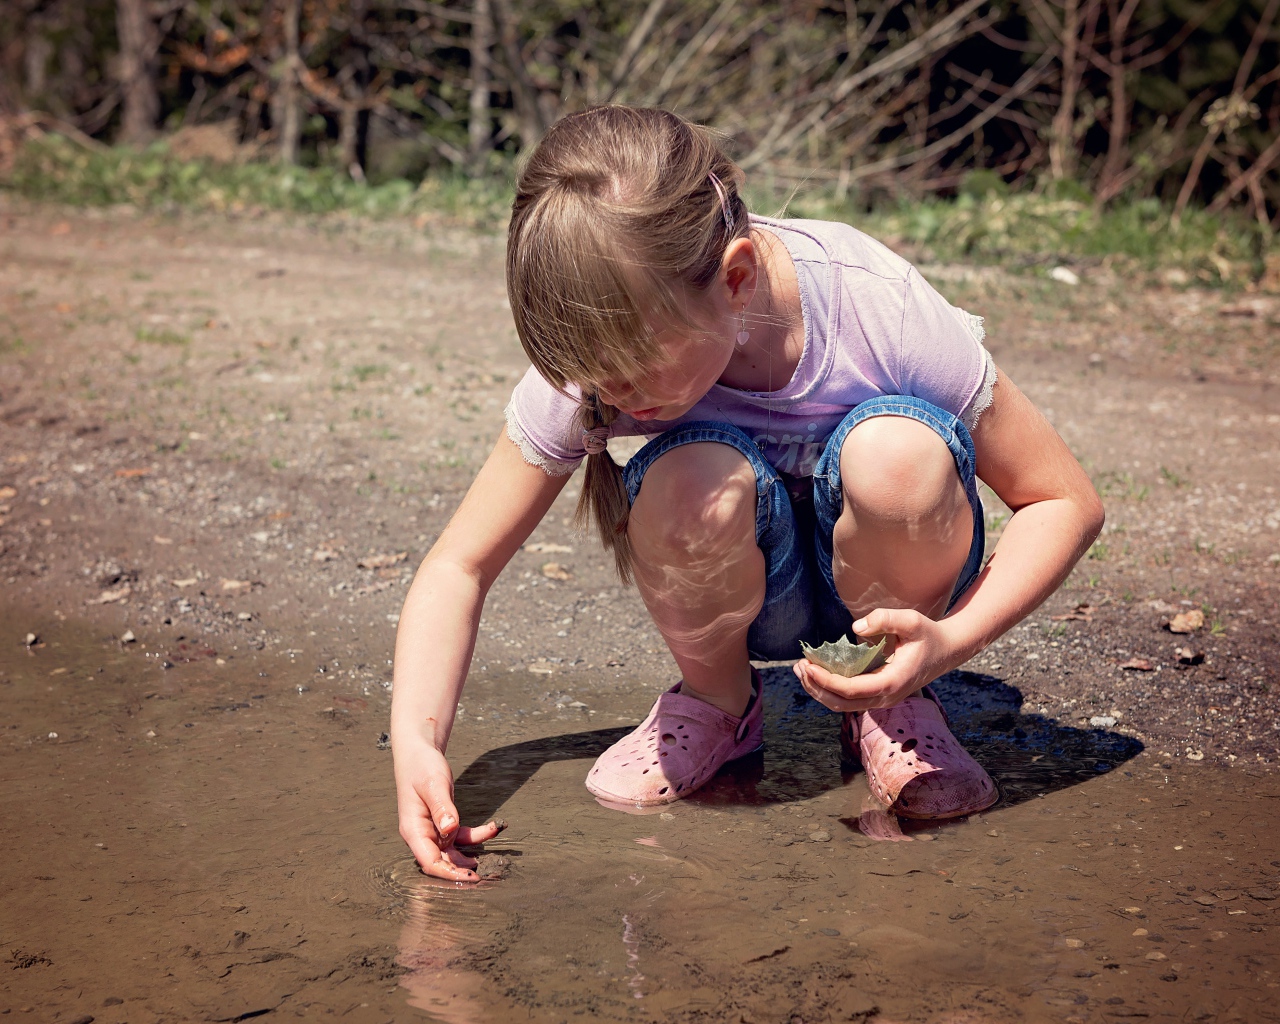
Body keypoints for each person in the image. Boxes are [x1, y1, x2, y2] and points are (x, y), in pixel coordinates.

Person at [390, 105, 1104, 881]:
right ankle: (718, 705)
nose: (611, 390)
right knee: (689, 481)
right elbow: (459, 565)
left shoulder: (874, 305)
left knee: (895, 455)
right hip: (745, 596)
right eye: (594, 375)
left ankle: (891, 700)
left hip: (899, 590)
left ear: (734, 279)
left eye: (632, 369)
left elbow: (1062, 500)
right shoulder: (599, 352)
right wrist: (420, 749)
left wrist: (948, 646)